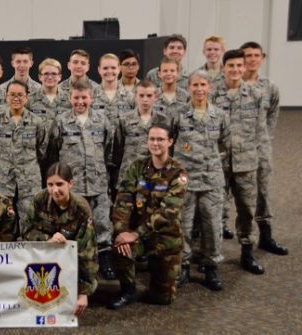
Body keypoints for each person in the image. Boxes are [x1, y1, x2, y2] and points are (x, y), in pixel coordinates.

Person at [108, 124, 187, 309]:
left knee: (164, 298)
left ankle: (161, 271)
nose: (155, 143)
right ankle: (128, 289)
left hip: (165, 237)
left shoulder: (178, 173)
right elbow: (123, 202)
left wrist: (135, 234)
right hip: (137, 234)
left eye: (160, 139)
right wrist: (122, 232)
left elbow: (167, 213)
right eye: (152, 139)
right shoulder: (137, 167)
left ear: (170, 142)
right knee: (120, 246)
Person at [210, 49, 271, 274]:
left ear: (244, 68)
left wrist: (250, 155)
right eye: (231, 66)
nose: (235, 70)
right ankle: (212, 257)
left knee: (246, 209)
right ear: (223, 68)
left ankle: (247, 251)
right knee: (215, 211)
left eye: (239, 66)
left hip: (246, 163)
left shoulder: (256, 95)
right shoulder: (213, 94)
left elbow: (259, 130)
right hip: (219, 163)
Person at [172, 70, 230, 291]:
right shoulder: (179, 114)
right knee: (183, 226)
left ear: (210, 88)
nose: (199, 89)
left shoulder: (220, 116)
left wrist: (211, 162)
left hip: (211, 179)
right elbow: (171, 141)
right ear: (189, 88)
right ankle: (184, 265)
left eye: (203, 85)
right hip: (185, 179)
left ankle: (211, 265)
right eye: (195, 85)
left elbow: (226, 144)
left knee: (212, 225)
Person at [52, 81, 115, 280]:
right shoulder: (61, 121)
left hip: (97, 184)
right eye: (76, 98)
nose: (80, 102)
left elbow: (110, 149)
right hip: (73, 187)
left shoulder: (102, 121)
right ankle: (73, 266)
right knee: (72, 226)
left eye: (84, 97)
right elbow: (52, 150)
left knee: (102, 225)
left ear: (91, 98)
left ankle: (104, 257)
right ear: (70, 99)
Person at [23, 162, 98, 317]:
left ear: (70, 184)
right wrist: (47, 239)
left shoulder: (81, 208)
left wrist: (84, 293)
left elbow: (88, 252)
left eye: (59, 184)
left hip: (71, 260)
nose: (54, 190)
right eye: (50, 185)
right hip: (42, 255)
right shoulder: (39, 200)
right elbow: (26, 231)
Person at [240, 41, 288, 256]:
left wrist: (265, 139)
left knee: (263, 191)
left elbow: (272, 117)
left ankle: (265, 235)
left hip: (260, 148)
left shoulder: (270, 87)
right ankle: (234, 238)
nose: (251, 59)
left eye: (255, 55)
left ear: (262, 58)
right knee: (236, 196)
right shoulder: (231, 84)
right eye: (247, 55)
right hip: (236, 149)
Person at [0, 80, 49, 234]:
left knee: (30, 214)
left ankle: (28, 249)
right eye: (12, 95)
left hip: (29, 175)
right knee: (0, 213)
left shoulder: (37, 122)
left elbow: (41, 149)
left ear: (27, 97)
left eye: (20, 95)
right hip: (3, 175)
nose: (16, 98)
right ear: (6, 96)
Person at [113, 80, 171, 187]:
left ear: (156, 97)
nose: (145, 99)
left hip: (156, 174)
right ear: (135, 96)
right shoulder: (124, 120)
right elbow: (117, 150)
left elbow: (168, 149)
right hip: (130, 175)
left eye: (149, 96)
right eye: (141, 95)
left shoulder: (163, 120)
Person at [93, 53, 135, 127]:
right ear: (99, 70)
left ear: (119, 69)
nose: (109, 71)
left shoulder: (131, 97)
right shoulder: (90, 96)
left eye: (113, 68)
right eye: (105, 68)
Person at [27, 58, 71, 122]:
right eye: (46, 74)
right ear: (40, 77)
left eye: (54, 74)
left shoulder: (69, 99)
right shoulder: (29, 99)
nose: (50, 77)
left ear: (60, 77)